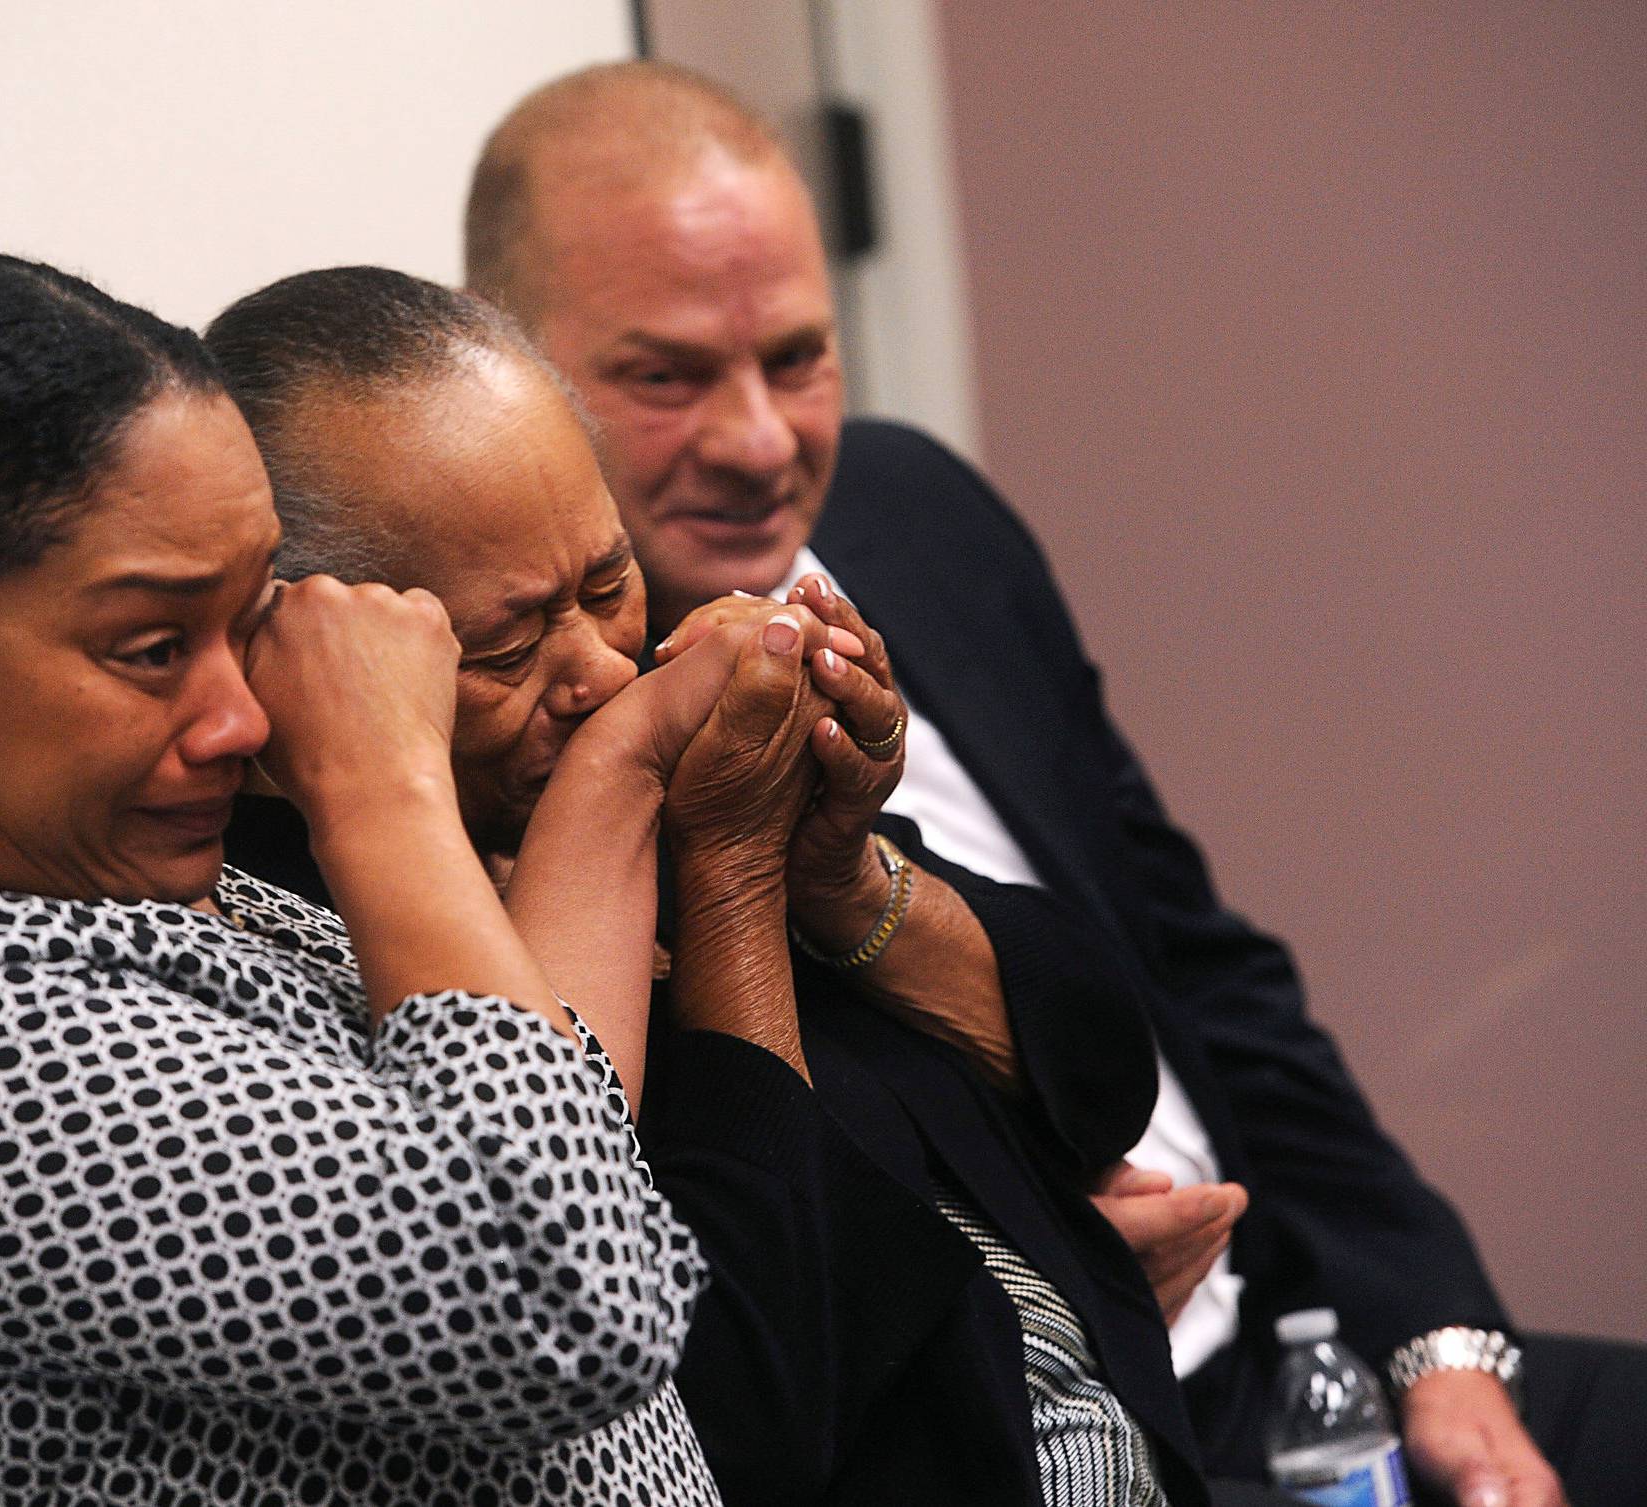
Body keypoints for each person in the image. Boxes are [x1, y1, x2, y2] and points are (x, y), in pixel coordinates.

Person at [461, 61, 1647, 1507]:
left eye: (797, 355)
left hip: (1297, 1343)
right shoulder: (535, 737)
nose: (762, 440)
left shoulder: (920, 515)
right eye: (666, 375)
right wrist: (1050, 1275)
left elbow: (1205, 971)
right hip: (1046, 1428)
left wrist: (1438, 1336)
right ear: (515, 380)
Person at [0, 250, 730, 1507]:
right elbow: (571, 1295)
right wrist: (384, 779)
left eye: (251, 619)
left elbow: (544, 1110)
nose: (240, 717)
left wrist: (628, 760)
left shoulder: (108, 901)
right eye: (151, 648)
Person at [208, 265, 1217, 1507]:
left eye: (606, 583)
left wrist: (839, 874)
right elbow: (731, 1404)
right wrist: (726, 870)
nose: (591, 669)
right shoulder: (317, 935)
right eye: (507, 646)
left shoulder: (664, 720)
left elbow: (1103, 1071)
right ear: (318, 655)